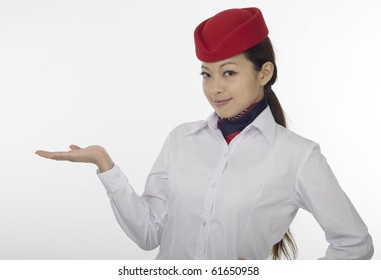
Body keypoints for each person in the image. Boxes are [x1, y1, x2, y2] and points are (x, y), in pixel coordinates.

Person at [36, 7, 374, 260]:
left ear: (264, 72)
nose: (215, 89)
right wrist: (105, 164)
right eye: (205, 74)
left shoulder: (299, 157)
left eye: (228, 72)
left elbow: (354, 244)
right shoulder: (181, 140)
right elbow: (148, 233)